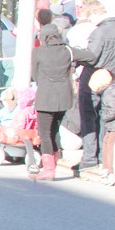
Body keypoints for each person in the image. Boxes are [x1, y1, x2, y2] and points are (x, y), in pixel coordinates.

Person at [30, 24, 93, 181]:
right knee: (55, 130)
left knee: (44, 133)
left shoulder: (38, 52)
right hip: (63, 97)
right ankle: (54, 163)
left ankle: (49, 169)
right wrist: (75, 65)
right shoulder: (67, 51)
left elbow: (35, 76)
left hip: (45, 97)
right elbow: (90, 56)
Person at [75, 0, 115, 173]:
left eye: (90, 18)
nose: (90, 22)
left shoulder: (99, 31)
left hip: (92, 76)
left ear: (94, 14)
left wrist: (76, 54)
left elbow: (92, 56)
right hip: (109, 76)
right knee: (104, 117)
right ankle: (101, 156)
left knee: (88, 115)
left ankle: (89, 157)